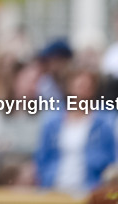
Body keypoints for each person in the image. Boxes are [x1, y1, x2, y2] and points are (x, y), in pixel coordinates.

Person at [36, 66, 116, 195]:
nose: (83, 89)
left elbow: (111, 158)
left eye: (87, 85)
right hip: (54, 188)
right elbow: (42, 157)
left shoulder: (105, 121)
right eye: (79, 84)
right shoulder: (51, 120)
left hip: (91, 190)